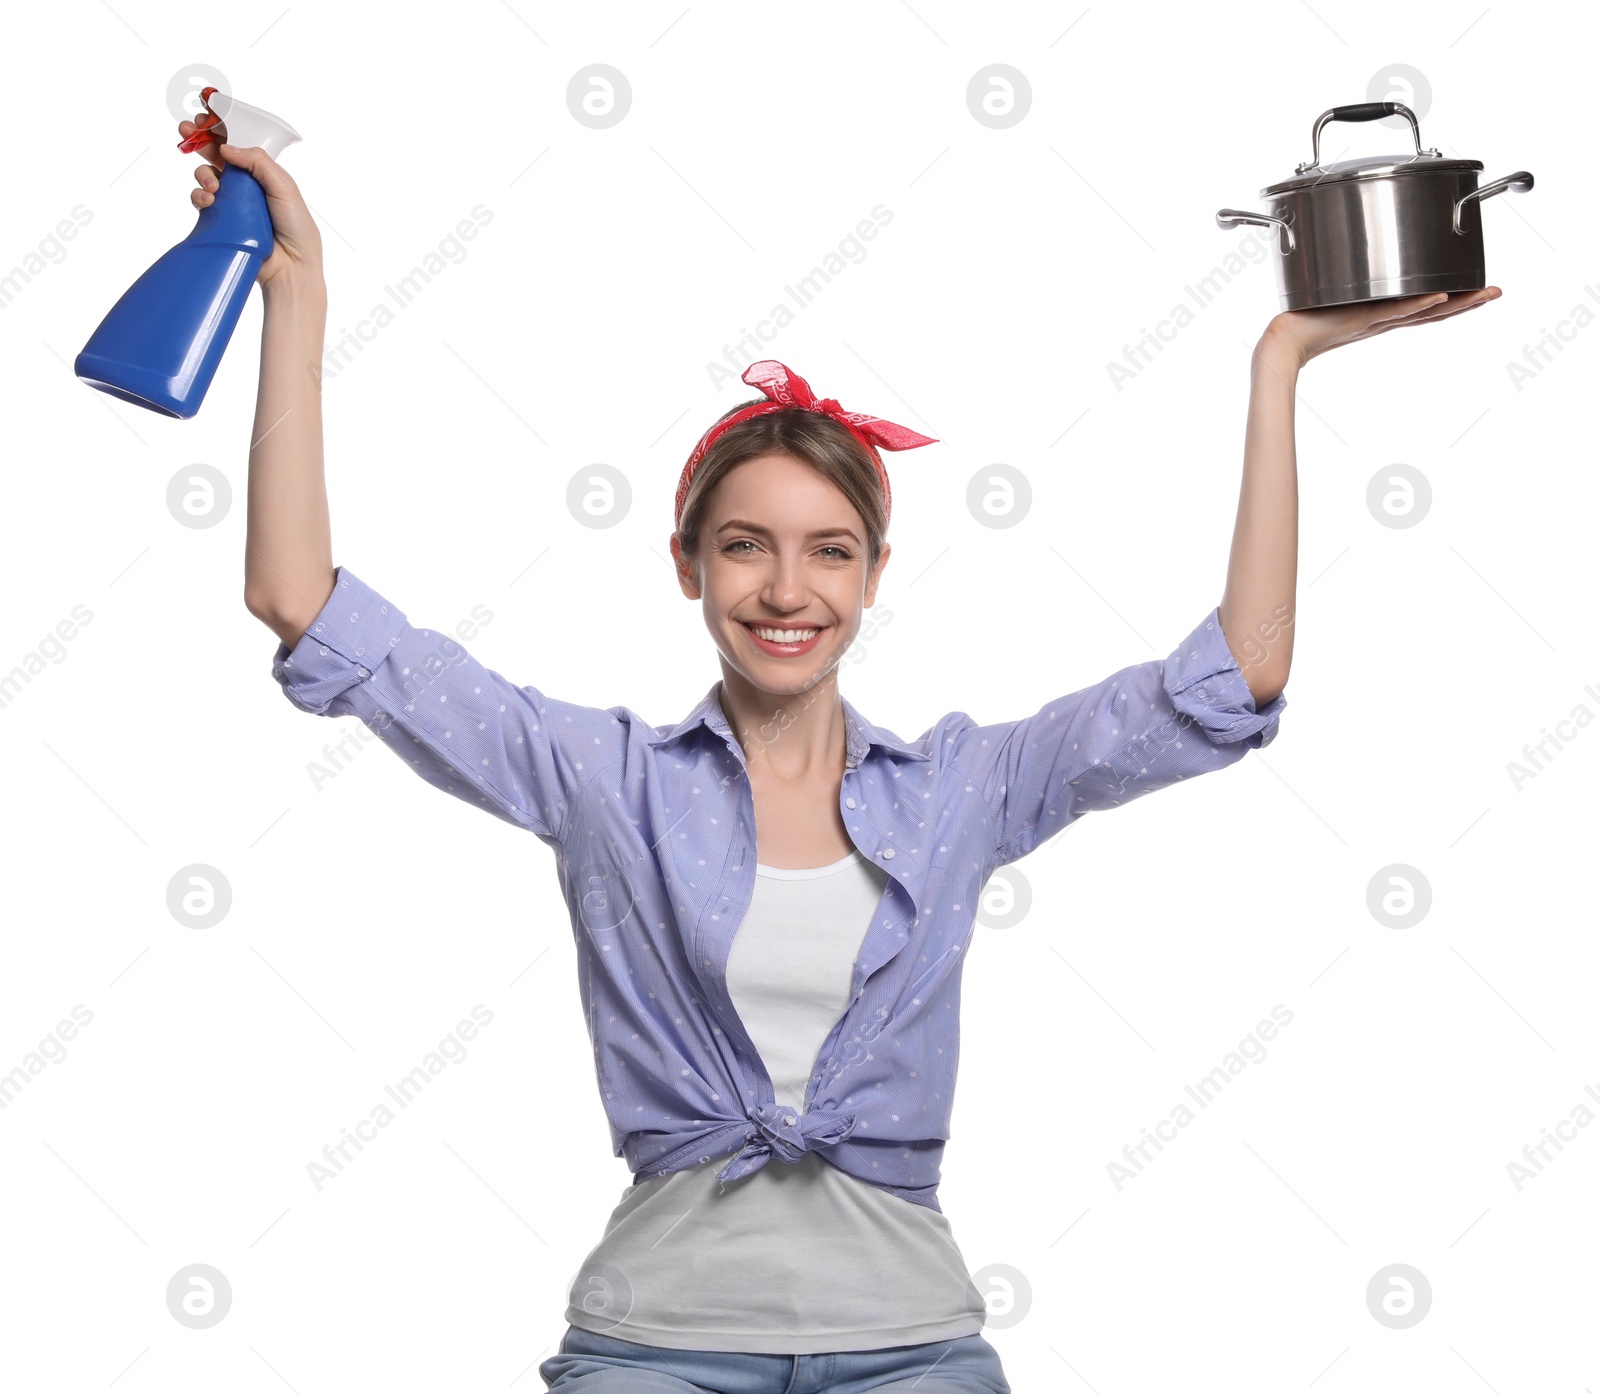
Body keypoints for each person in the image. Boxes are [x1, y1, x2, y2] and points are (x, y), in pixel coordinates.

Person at [183, 114, 1499, 1393]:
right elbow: (304, 596)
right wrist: (296, 299)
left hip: (911, 1345)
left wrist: (1281, 364)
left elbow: (1236, 675)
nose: (784, 587)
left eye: (828, 549)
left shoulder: (964, 789)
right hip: (656, 1344)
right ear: (689, 564)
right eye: (746, 543)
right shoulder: (601, 774)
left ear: (873, 575)